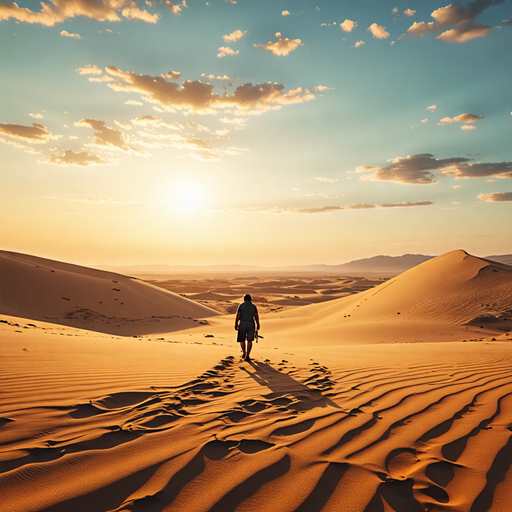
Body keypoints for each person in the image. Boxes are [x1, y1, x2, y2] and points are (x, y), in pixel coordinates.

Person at [235, 294, 260, 362]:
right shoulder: (253, 306)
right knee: (249, 340)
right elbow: (256, 316)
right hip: (251, 324)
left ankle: (244, 352)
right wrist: (258, 324)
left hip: (242, 323)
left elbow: (238, 315)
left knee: (242, 339)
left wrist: (236, 323)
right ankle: (247, 355)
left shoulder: (241, 305)